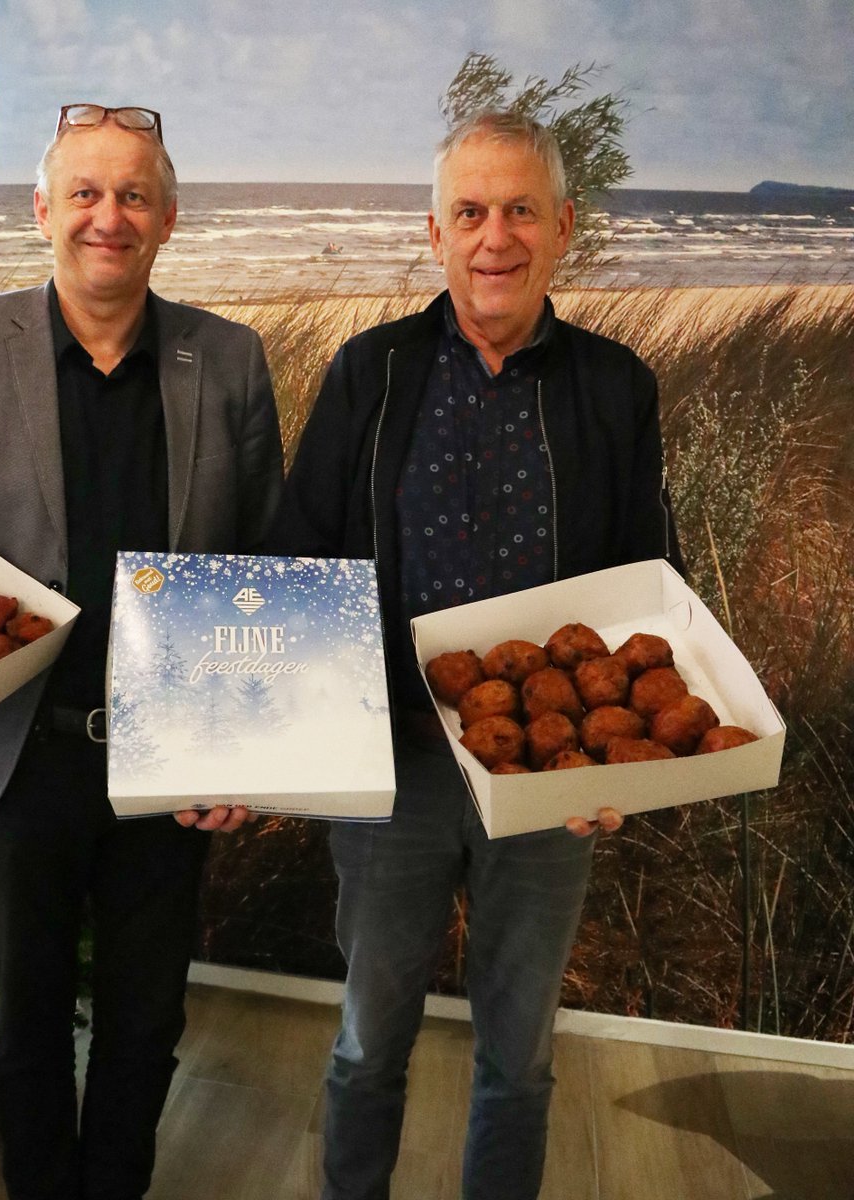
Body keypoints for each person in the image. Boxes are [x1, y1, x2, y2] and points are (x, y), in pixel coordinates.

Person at [269, 109, 683, 1200]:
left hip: (552, 774)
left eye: (518, 212)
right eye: (470, 213)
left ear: (563, 228)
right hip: (389, 764)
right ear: (434, 233)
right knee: (365, 1045)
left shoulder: (614, 385)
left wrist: (624, 768)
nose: (493, 237)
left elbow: (651, 581)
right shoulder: (371, 372)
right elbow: (300, 555)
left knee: (520, 1056)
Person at [0, 104, 283, 1200]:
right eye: (86, 193)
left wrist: (251, 745)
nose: (108, 217)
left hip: (177, 758)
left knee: (146, 1021)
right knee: (23, 1028)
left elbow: (266, 561)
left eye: (134, 196)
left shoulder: (232, 359)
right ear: (44, 211)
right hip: (22, 752)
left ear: (168, 217)